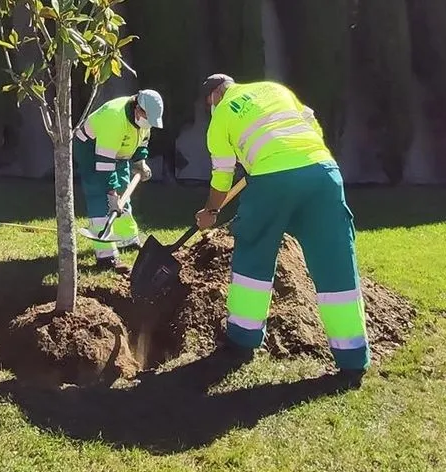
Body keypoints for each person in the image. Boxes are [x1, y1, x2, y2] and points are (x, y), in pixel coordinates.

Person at [196, 74, 370, 374]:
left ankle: (243, 338)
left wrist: (210, 211)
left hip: (271, 181)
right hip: (323, 173)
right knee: (335, 260)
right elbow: (311, 125)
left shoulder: (221, 115)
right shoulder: (275, 89)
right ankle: (352, 356)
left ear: (213, 96)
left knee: (255, 252)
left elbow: (222, 177)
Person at [73, 89, 163, 273]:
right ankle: (106, 256)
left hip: (118, 151)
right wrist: (111, 194)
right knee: (101, 198)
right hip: (92, 151)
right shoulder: (114, 118)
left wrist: (140, 161)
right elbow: (105, 164)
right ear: (137, 107)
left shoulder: (147, 118)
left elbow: (142, 141)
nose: (148, 123)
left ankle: (127, 240)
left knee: (123, 191)